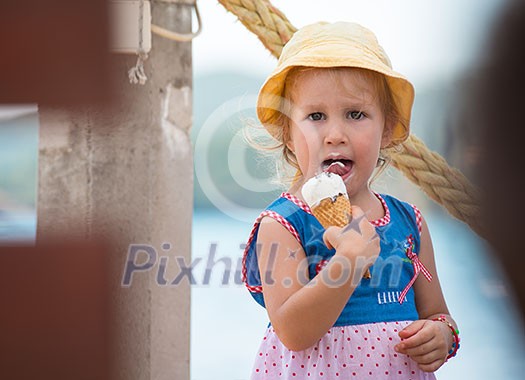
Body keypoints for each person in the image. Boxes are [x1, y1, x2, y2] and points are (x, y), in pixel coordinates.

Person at [242, 22, 460, 379]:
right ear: (287, 130)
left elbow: (437, 313)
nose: (335, 134)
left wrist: (442, 336)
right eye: (315, 116)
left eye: (356, 114)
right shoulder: (283, 225)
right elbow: (293, 332)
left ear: (387, 127)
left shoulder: (409, 223)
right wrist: (348, 262)